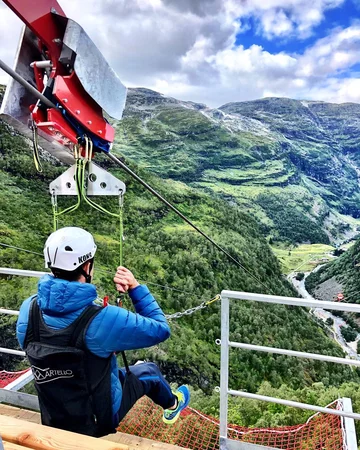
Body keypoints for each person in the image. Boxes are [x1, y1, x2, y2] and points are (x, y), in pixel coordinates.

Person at [16, 227, 190, 437]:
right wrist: (135, 288)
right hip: (98, 418)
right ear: (87, 266)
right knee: (149, 372)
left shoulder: (29, 309)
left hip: (55, 415)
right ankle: (173, 405)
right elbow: (161, 329)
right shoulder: (101, 319)